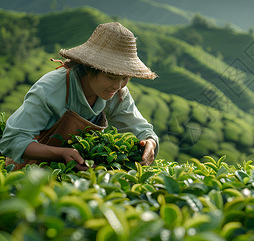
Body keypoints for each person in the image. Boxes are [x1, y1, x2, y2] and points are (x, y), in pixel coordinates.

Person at [0, 22, 159, 170]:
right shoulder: (51, 89)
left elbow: (141, 129)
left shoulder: (116, 92)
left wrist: (150, 143)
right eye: (111, 77)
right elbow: (12, 141)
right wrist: (60, 153)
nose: (118, 86)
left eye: (125, 78)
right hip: (28, 174)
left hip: (72, 177)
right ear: (91, 68)